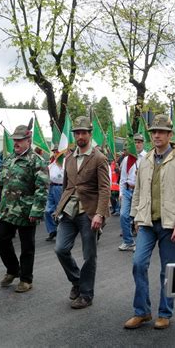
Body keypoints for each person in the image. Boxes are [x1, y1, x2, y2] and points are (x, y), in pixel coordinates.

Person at [124, 114, 175, 330]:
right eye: (154, 132)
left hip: (171, 224)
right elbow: (138, 190)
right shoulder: (144, 160)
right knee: (138, 263)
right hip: (147, 222)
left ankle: (165, 312)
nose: (156, 135)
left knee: (168, 269)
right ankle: (142, 312)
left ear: (169, 134)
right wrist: (136, 216)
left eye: (161, 132)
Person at [54, 116, 111, 309]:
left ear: (89, 134)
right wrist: (59, 208)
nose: (80, 135)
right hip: (69, 211)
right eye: (77, 132)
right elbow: (67, 186)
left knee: (89, 255)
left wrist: (100, 214)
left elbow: (105, 188)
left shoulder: (99, 158)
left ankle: (86, 294)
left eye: (83, 132)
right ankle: (77, 281)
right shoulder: (69, 158)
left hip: (89, 213)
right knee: (60, 249)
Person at [0, 122, 49, 293]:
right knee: (1, 239)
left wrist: (36, 210)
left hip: (26, 211)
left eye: (20, 140)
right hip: (7, 210)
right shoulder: (9, 159)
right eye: (14, 140)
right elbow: (2, 184)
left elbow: (42, 188)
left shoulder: (37, 161)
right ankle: (13, 269)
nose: (16, 143)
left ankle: (26, 279)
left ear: (28, 140)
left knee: (27, 247)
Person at [118, 134, 147, 251]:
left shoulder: (147, 157)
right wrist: (121, 192)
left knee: (139, 218)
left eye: (140, 142)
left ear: (143, 143)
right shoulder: (127, 159)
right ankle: (128, 241)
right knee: (123, 215)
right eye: (135, 142)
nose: (137, 144)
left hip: (140, 191)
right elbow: (123, 177)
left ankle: (141, 243)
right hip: (127, 190)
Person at [44, 146, 64, 241]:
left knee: (60, 211)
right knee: (47, 211)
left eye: (57, 152)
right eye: (54, 152)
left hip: (60, 187)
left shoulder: (65, 163)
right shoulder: (51, 165)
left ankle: (62, 231)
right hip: (51, 187)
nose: (55, 154)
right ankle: (52, 230)